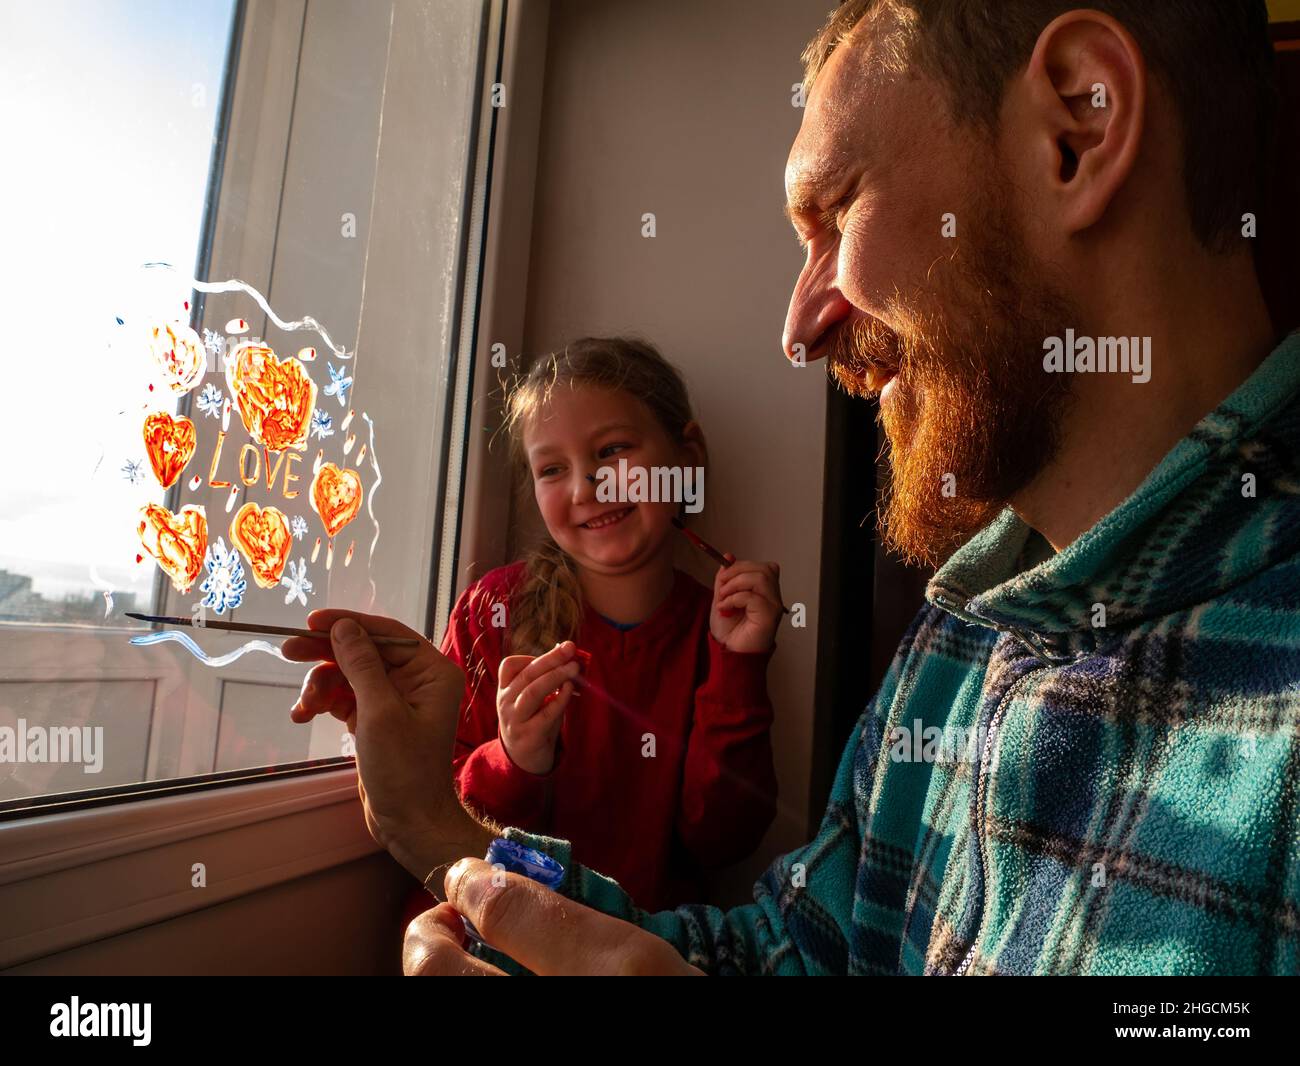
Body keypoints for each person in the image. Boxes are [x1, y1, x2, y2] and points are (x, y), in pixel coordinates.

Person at [286, 0, 1300, 975]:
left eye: (836, 211)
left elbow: (714, 820)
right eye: (551, 467)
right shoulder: (951, 648)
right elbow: (786, 955)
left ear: (1079, 125)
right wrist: (440, 831)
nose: (800, 328)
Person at [419, 337, 781, 916]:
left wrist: (739, 666)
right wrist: (513, 761)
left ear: (687, 460)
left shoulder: (721, 631)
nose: (586, 487)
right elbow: (439, 828)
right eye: (553, 469)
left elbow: (723, 840)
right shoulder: (492, 610)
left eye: (612, 450)